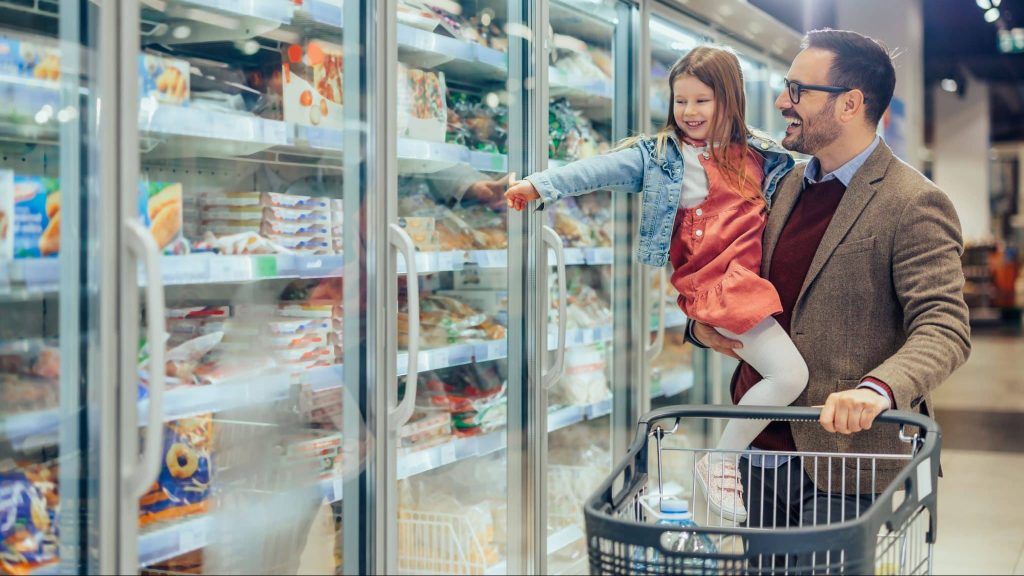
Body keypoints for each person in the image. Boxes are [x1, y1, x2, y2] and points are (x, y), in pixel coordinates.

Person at [688, 28, 971, 536]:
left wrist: (879, 389)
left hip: (845, 460)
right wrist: (700, 326)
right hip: (758, 454)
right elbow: (734, 273)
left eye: (798, 90)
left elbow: (944, 327)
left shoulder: (913, 202)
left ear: (850, 104)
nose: (781, 102)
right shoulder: (781, 185)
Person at [504, 45, 798, 523]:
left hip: (749, 283)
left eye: (701, 100)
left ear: (730, 99)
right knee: (789, 375)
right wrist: (540, 185)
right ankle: (722, 462)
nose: (689, 112)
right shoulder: (662, 157)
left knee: (782, 374)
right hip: (720, 286)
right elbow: (598, 169)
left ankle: (721, 475)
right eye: (680, 101)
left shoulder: (760, 152)